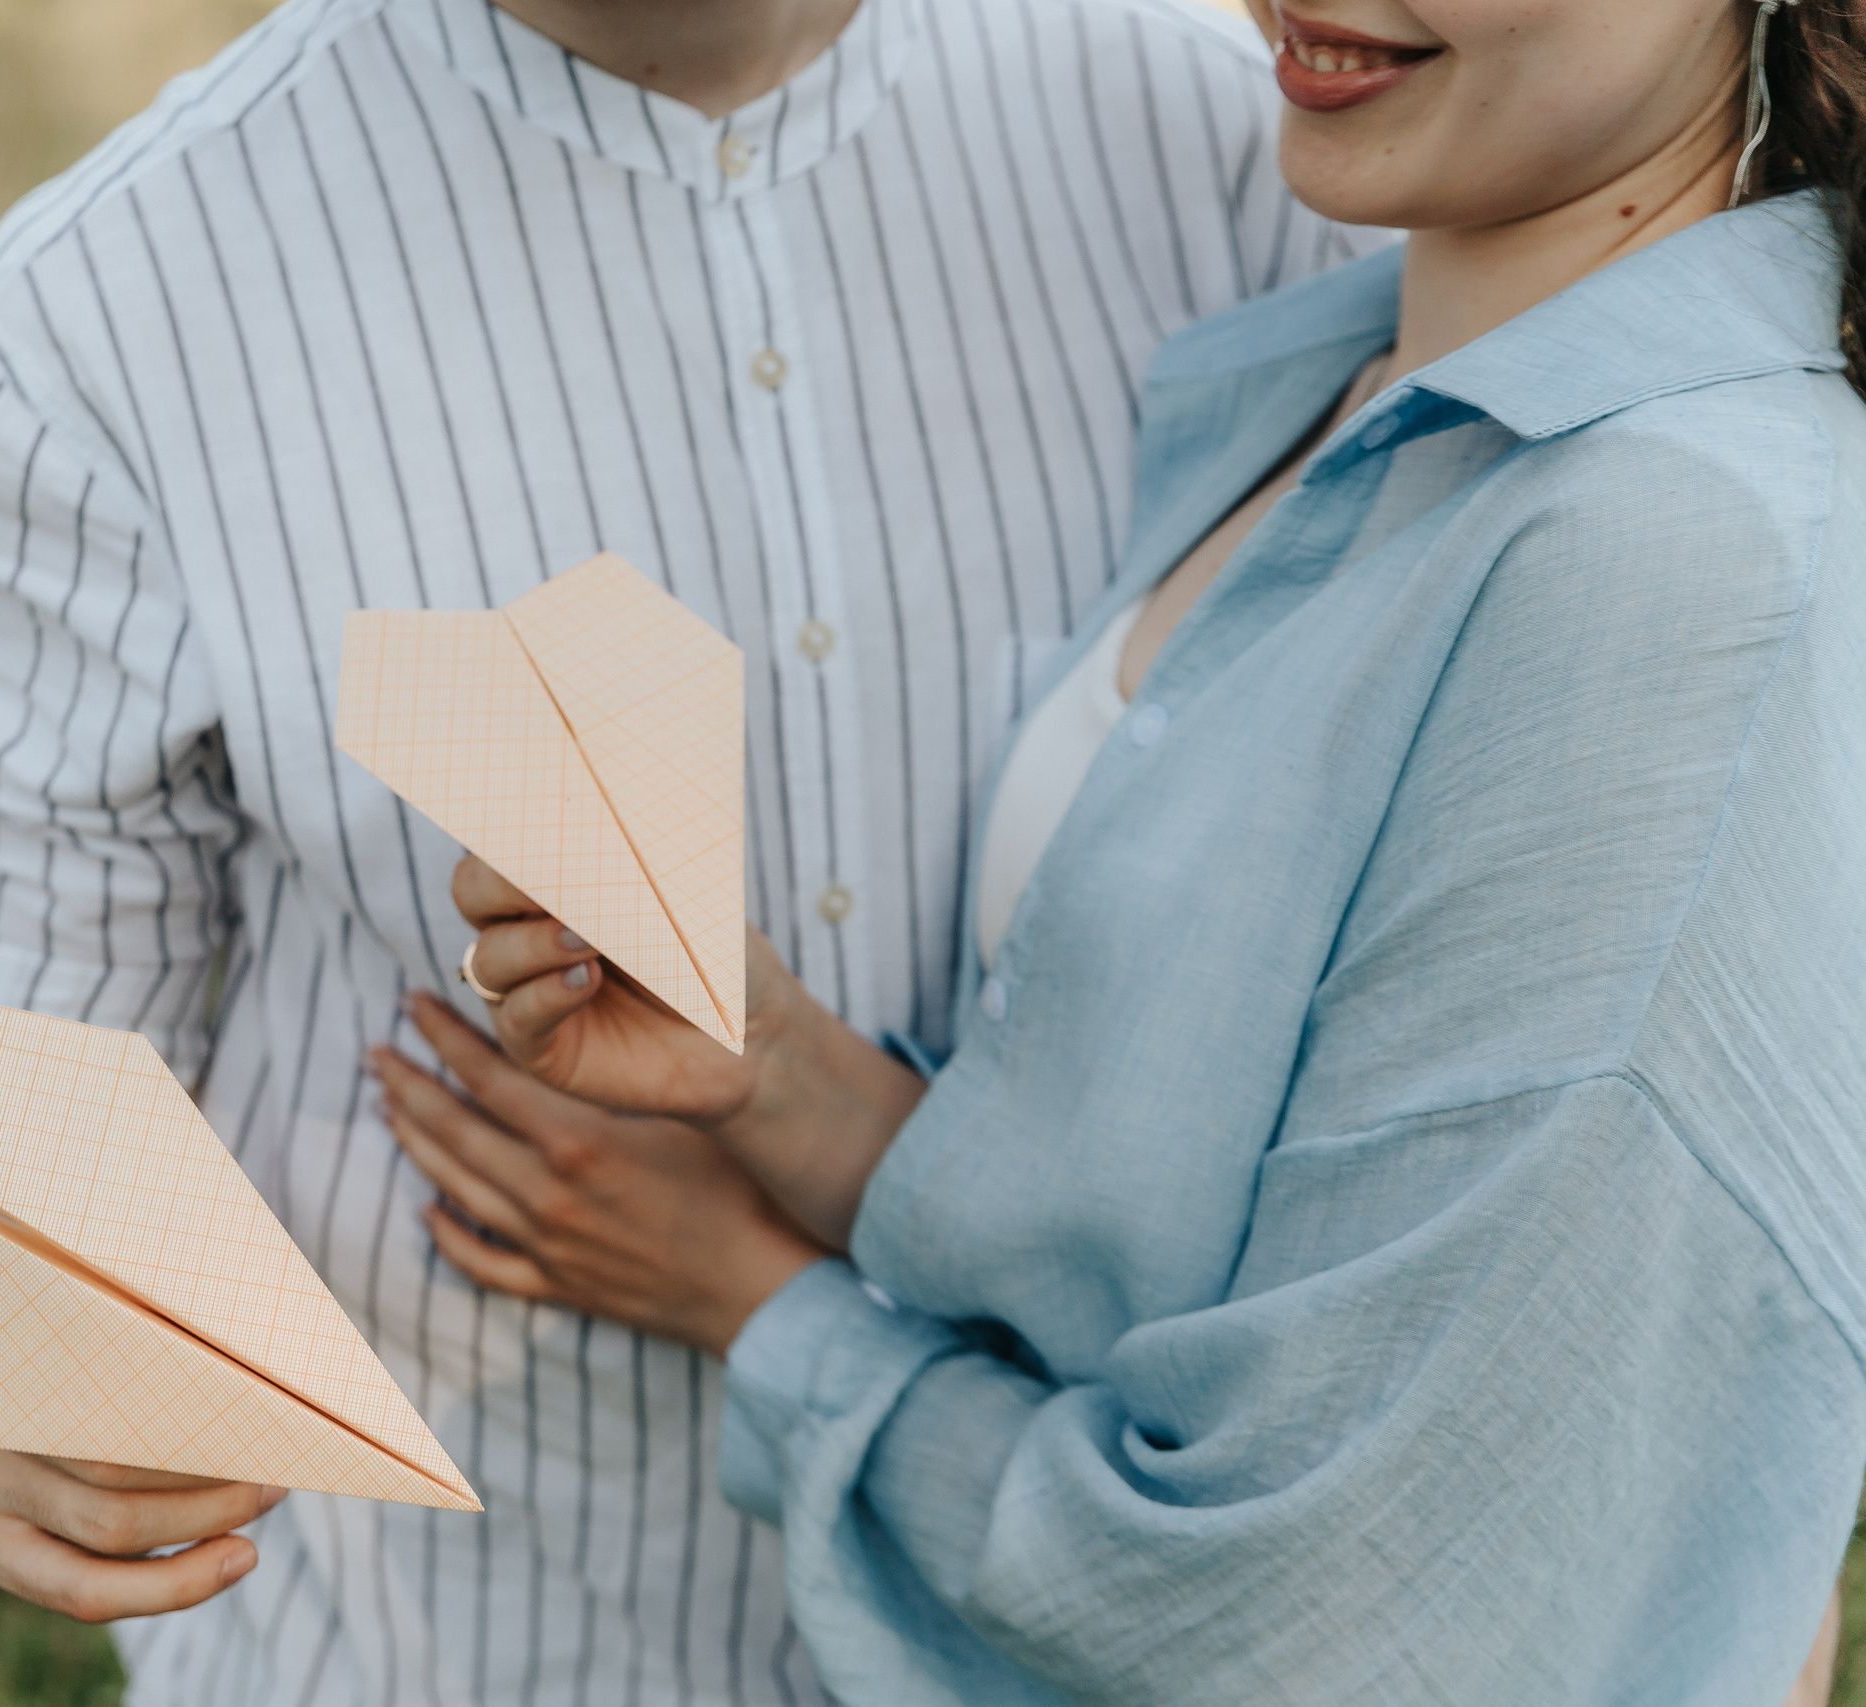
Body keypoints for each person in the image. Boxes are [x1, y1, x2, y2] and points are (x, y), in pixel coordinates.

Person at [0, 0, 1375, 1699]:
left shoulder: (1253, 152)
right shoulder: (86, 325)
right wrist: (46, 1360)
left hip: (1077, 1625)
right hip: (462, 1634)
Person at [381, 0, 1866, 1699]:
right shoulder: (1343, 396)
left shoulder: (1679, 571)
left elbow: (1345, 1617)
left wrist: (762, 1308)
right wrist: (776, 1070)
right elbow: (1183, 1248)